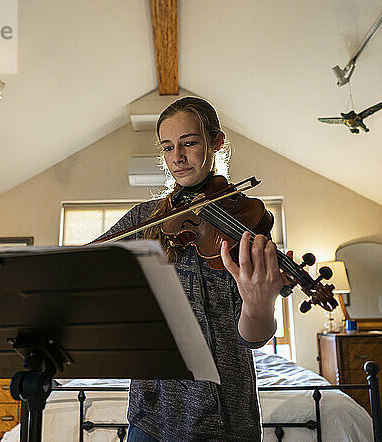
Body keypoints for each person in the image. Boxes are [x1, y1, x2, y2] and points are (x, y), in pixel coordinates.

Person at [100, 97, 289, 441]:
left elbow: (254, 337)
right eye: (168, 147)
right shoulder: (146, 218)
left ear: (216, 142)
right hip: (151, 411)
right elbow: (86, 266)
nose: (177, 157)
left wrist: (258, 305)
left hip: (223, 413)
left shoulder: (243, 224)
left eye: (189, 142)